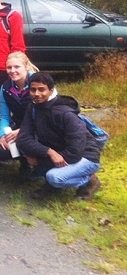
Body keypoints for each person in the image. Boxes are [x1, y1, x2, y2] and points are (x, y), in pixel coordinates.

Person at [17, 72, 102, 201]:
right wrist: (48, 152)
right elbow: (23, 139)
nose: (36, 94)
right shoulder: (33, 108)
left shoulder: (65, 113)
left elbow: (75, 152)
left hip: (85, 156)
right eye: (33, 90)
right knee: (32, 154)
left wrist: (40, 160)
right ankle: (54, 184)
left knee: (54, 177)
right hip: (59, 151)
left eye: (42, 89)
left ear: (51, 91)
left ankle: (90, 180)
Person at [0, 52, 38, 177]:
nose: (12, 71)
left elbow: (47, 115)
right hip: (19, 124)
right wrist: (3, 135)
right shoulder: (5, 88)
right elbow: (4, 116)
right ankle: (25, 162)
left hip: (40, 126)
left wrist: (22, 131)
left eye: (17, 67)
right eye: (9, 68)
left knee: (30, 143)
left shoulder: (39, 82)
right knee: (1, 151)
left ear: (26, 66)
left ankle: (40, 165)